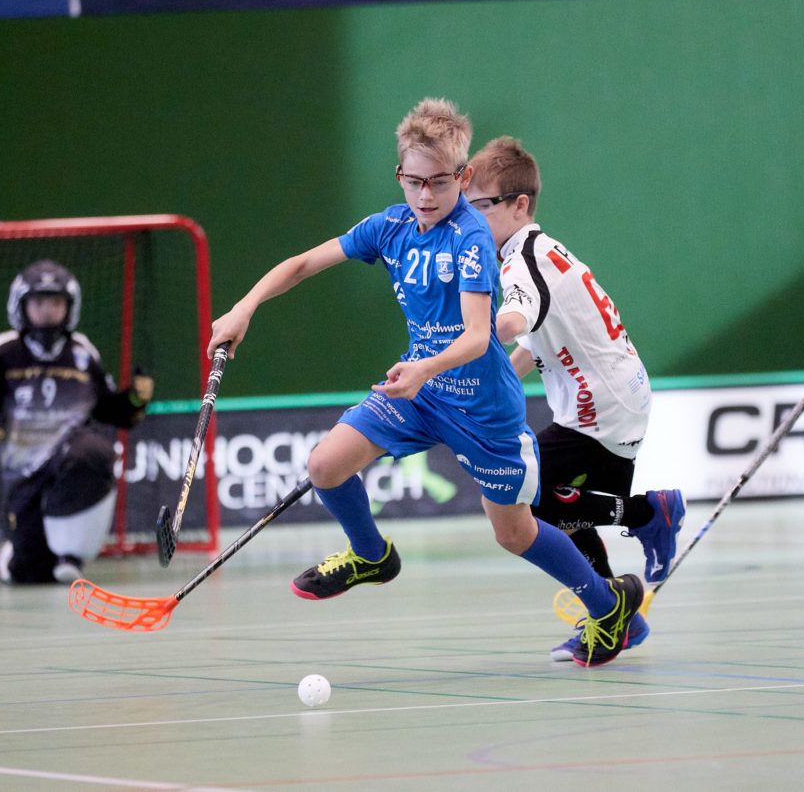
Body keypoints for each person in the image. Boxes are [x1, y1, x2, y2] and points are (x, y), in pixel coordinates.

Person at [206, 99, 642, 666]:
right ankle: (371, 555)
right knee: (323, 466)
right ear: (400, 176)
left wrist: (422, 369)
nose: (426, 196)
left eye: (439, 182)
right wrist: (245, 307)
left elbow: (477, 336)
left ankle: (607, 607)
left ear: (462, 177)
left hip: (483, 411)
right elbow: (303, 264)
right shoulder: (388, 227)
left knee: (513, 534)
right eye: (414, 182)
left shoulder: (471, 239)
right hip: (421, 393)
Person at [465, 136, 685, 661]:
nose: (471, 218)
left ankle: (648, 513)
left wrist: (465, 343)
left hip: (600, 410)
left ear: (520, 205)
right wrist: (501, 376)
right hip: (614, 398)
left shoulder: (523, 263)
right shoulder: (538, 249)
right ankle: (619, 622)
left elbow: (516, 321)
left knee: (517, 500)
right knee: (568, 519)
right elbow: (534, 339)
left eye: (481, 206)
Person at [0, 260, 154, 584]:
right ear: (21, 305)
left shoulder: (82, 352)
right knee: (29, 574)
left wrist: (134, 400)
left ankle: (71, 554)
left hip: (71, 457)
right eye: (39, 302)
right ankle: (19, 555)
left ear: (69, 307)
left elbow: (111, 411)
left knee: (94, 452)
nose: (47, 311)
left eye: (56, 302)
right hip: (23, 469)